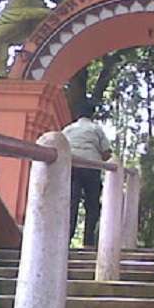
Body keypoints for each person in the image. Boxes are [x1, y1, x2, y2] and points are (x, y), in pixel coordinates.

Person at [62, 103, 112, 247]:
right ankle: (88, 241)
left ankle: (66, 240)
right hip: (92, 168)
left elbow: (60, 145)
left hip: (72, 167)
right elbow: (106, 153)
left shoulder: (68, 129)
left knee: (71, 204)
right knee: (92, 205)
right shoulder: (96, 129)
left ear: (78, 116)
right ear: (92, 115)